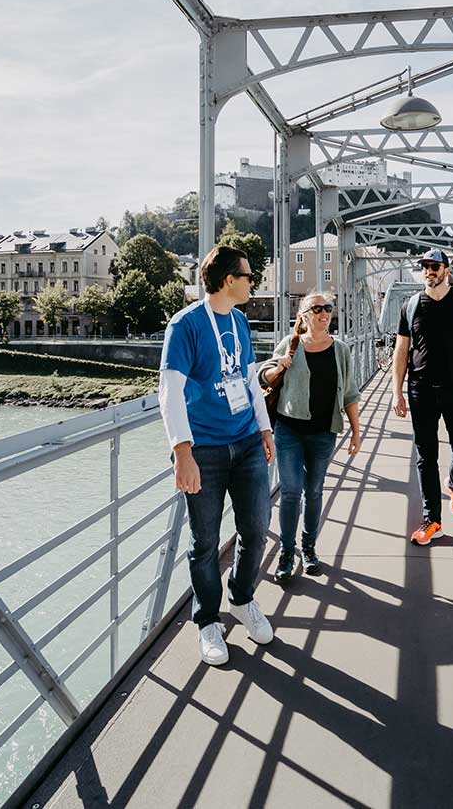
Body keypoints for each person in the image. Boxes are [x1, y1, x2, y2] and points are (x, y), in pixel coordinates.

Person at [158, 244, 276, 666]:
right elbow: (170, 392)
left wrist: (264, 428)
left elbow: (247, 378)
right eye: (248, 276)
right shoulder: (185, 325)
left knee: (257, 527)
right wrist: (182, 452)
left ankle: (242, 599)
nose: (253, 283)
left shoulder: (241, 321)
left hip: (244, 441)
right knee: (205, 541)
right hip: (204, 449)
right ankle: (208, 619)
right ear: (229, 280)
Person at [259, 290, 362, 583]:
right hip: (289, 430)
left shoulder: (340, 350)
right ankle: (287, 552)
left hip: (323, 433)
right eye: (317, 308)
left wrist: (356, 431)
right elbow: (265, 375)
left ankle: (309, 548)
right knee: (291, 491)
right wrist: (276, 368)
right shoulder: (291, 344)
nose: (324, 312)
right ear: (303, 315)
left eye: (328, 307)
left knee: (314, 491)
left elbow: (350, 393)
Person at [391, 248, 453, 545]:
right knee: (425, 455)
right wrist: (397, 392)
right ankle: (432, 520)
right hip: (420, 390)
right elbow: (401, 351)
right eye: (425, 267)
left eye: (434, 266)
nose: (428, 271)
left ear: (446, 269)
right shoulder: (411, 305)